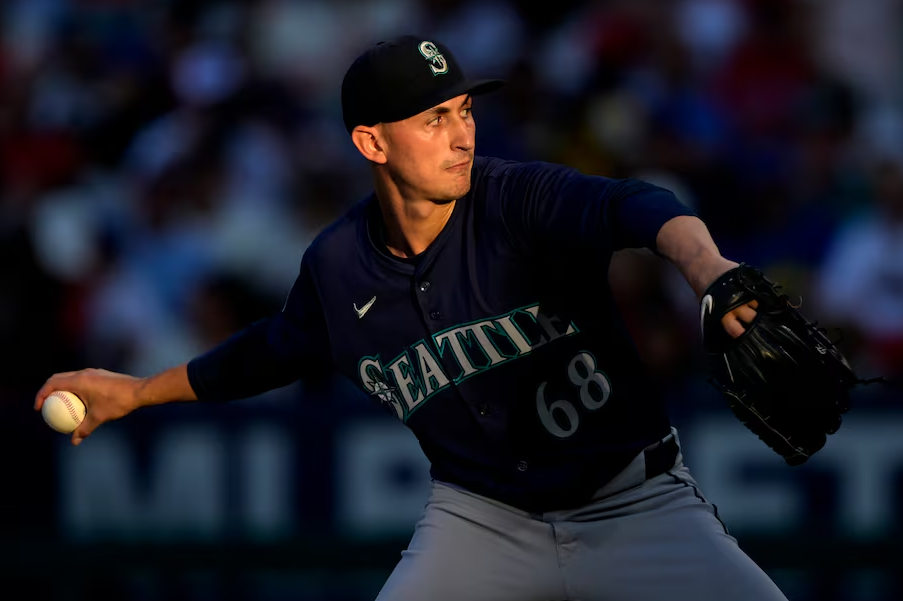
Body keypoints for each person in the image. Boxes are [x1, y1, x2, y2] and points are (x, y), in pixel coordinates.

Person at [36, 36, 785, 601]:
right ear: (371, 142)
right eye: (433, 119)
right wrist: (137, 392)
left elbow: (635, 205)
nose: (461, 134)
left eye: (462, 111)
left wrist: (706, 268)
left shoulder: (514, 199)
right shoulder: (336, 268)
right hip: (482, 521)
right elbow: (265, 353)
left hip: (635, 500)